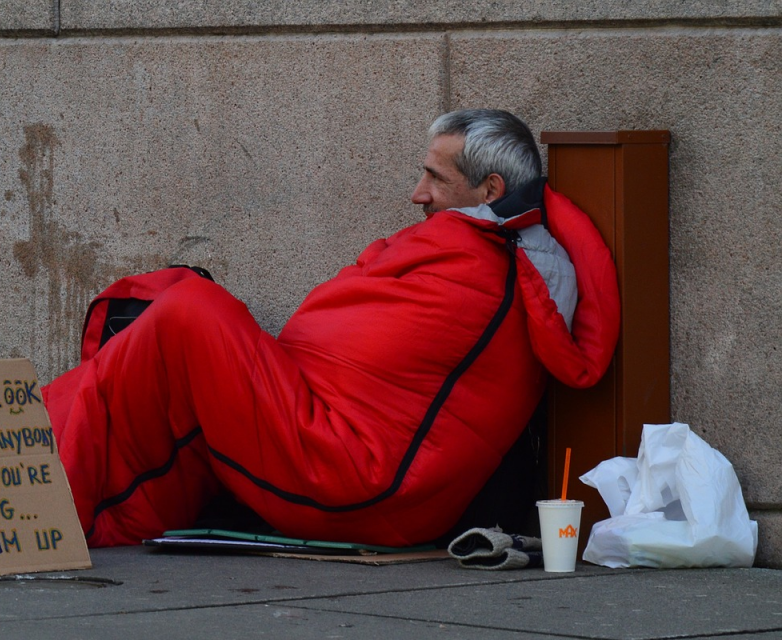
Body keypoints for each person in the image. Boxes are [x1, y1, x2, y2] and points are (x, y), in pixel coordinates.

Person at [43, 109, 620, 548]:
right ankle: (28, 441)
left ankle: (43, 491)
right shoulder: (484, 256)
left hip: (357, 479)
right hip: (340, 448)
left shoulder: (488, 270)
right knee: (169, 310)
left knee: (191, 311)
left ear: (490, 191)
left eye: (435, 179)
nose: (418, 195)